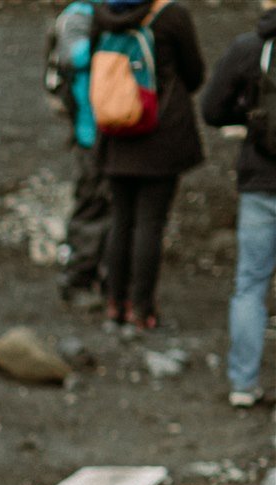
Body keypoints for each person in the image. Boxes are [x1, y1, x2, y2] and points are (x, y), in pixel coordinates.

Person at [93, 0, 206, 330]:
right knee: (150, 224)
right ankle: (141, 309)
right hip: (160, 134)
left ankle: (114, 303)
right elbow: (195, 73)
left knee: (121, 220)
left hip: (114, 133)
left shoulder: (103, 14)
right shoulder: (172, 15)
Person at [200, 0, 276, 406]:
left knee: (250, 284)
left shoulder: (249, 48)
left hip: (261, 179)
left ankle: (243, 384)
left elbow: (211, 108)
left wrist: (249, 118)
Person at [46, 0, 112, 301]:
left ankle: (94, 273)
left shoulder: (90, 14)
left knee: (101, 201)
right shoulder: (79, 17)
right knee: (92, 201)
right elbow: (74, 55)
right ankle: (78, 278)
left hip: (100, 124)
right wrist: (111, 43)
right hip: (91, 127)